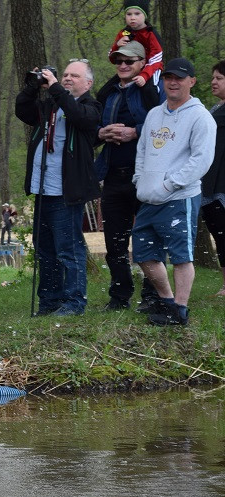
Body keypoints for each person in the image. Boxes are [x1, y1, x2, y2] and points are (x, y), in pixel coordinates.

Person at [132, 58, 216, 326]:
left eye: (179, 78)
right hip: (148, 196)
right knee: (144, 253)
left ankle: (180, 309)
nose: (173, 82)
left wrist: (170, 184)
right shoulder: (155, 114)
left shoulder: (200, 117)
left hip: (180, 196)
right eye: (168, 77)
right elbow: (143, 150)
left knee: (181, 255)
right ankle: (167, 300)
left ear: (192, 81)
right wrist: (139, 178)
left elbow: (201, 161)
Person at [16, 60, 101, 316]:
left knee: (69, 250)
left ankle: (74, 303)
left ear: (88, 83)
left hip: (66, 191)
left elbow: (78, 116)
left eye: (74, 76)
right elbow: (22, 110)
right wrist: (33, 87)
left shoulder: (90, 106)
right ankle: (49, 301)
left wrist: (55, 90)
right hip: (42, 188)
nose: (67, 78)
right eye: (64, 75)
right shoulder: (50, 105)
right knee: (45, 250)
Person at [95, 40, 165, 310]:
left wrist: (135, 130)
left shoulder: (151, 90)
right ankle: (119, 296)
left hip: (144, 174)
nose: (123, 66)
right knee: (114, 241)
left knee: (148, 238)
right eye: (118, 61)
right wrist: (102, 133)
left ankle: (153, 295)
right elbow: (92, 125)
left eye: (129, 61)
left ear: (142, 63)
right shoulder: (108, 92)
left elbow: (162, 122)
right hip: (113, 173)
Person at [201, 59, 225, 296]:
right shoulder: (215, 110)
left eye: (219, 78)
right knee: (219, 233)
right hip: (212, 181)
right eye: (213, 77)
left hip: (222, 183)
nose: (213, 82)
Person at [109, 0, 163, 87]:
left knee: (150, 91)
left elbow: (157, 58)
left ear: (145, 16)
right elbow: (111, 58)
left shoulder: (150, 34)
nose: (132, 17)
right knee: (104, 92)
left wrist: (144, 75)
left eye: (137, 14)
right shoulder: (123, 33)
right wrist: (117, 45)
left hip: (151, 68)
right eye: (129, 14)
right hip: (128, 68)